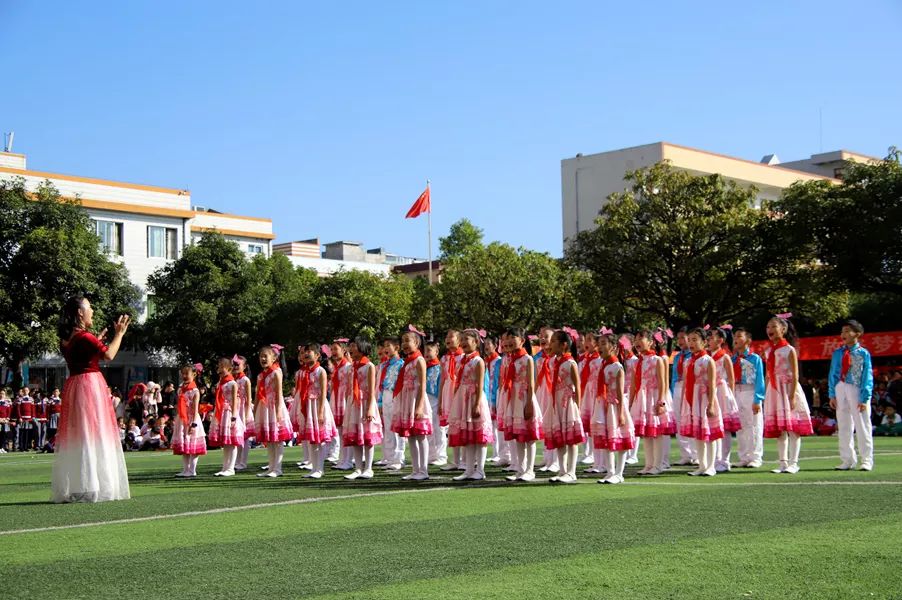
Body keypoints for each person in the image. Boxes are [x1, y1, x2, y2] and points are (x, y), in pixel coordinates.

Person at [50, 296, 131, 503]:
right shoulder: (85, 337)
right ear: (80, 312)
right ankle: (97, 484)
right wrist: (119, 334)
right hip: (90, 385)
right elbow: (109, 355)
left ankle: (80, 483)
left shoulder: (68, 338)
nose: (92, 311)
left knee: (79, 435)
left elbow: (85, 354)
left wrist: (97, 340)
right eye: (89, 307)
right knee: (96, 433)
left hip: (74, 385)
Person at [763, 315, 813, 474]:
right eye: (768, 327)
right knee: (780, 428)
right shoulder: (768, 350)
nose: (770, 330)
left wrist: (791, 395)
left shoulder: (789, 349)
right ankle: (783, 462)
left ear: (783, 329)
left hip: (787, 388)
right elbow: (768, 374)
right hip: (774, 390)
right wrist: (766, 392)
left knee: (793, 427)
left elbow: (795, 374)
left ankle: (794, 462)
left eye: (773, 326)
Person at [828, 320, 875, 471]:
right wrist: (832, 394)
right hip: (840, 387)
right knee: (843, 425)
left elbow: (867, 376)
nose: (844, 334)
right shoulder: (838, 353)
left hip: (856, 388)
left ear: (857, 334)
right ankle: (847, 459)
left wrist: (864, 397)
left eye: (848, 331)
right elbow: (833, 373)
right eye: (843, 331)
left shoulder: (863, 353)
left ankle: (866, 460)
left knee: (862, 424)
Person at [448, 329, 493, 481]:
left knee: (479, 436)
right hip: (463, 399)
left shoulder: (478, 361)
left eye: (467, 339)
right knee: (468, 436)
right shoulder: (462, 360)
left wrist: (476, 404)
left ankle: (480, 470)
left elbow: (480, 385)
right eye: (462, 339)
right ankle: (468, 470)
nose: (464, 342)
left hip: (474, 398)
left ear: (475, 342)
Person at [630, 330, 675, 475]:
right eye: (635, 339)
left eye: (641, 338)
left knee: (657, 433)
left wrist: (661, 402)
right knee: (647, 433)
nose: (637, 342)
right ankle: (648, 465)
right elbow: (633, 385)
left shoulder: (658, 360)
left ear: (650, 342)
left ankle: (658, 464)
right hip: (642, 398)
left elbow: (663, 382)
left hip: (654, 397)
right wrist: (631, 404)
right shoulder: (636, 362)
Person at [593, 332, 635, 484]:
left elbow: (620, 392)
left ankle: (619, 472)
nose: (600, 347)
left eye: (604, 343)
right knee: (607, 439)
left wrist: (622, 413)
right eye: (599, 343)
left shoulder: (617, 367)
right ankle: (610, 471)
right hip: (604, 405)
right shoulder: (603, 365)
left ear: (613, 347)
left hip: (616, 406)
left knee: (620, 437)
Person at [501, 328, 543, 482]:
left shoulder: (527, 359)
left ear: (522, 340)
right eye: (508, 338)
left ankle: (530, 470)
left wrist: (530, 403)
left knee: (529, 437)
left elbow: (532, 383)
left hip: (525, 398)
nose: (510, 341)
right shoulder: (509, 359)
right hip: (514, 400)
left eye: (514, 337)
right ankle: (520, 469)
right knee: (518, 437)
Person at [680, 327, 722, 477]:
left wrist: (711, 404)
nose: (691, 343)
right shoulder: (688, 361)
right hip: (693, 399)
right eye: (689, 340)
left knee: (709, 433)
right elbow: (686, 383)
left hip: (704, 398)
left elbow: (712, 384)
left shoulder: (708, 361)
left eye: (695, 340)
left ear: (704, 342)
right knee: (698, 434)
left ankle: (711, 466)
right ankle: (702, 465)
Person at [543, 329, 584, 484]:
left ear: (564, 345)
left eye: (554, 341)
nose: (550, 344)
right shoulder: (553, 361)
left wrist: (577, 408)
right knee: (559, 438)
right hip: (556, 403)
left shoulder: (570, 363)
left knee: (571, 439)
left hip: (568, 403)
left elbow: (577, 386)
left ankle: (571, 471)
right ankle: (562, 470)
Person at [392, 328, 432, 480]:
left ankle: (424, 470)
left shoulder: (419, 360)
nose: (404, 344)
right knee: (411, 437)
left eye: (407, 341)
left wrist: (420, 406)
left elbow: (422, 385)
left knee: (421, 436)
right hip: (408, 400)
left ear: (416, 342)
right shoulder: (407, 362)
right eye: (402, 341)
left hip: (416, 399)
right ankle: (415, 470)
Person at [294, 343, 336, 479]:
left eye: (310, 351)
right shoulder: (304, 372)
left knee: (319, 438)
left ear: (317, 355)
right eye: (305, 352)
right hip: (307, 406)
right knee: (311, 439)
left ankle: (320, 468)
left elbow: (323, 393)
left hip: (317, 405)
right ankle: (314, 467)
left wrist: (320, 411)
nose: (306, 354)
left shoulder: (320, 371)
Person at [343, 337, 382, 480]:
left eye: (353, 346)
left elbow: (372, 390)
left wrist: (370, 408)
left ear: (362, 347)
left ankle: (368, 468)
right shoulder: (351, 367)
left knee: (367, 437)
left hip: (366, 403)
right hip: (354, 404)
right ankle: (358, 468)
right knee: (355, 437)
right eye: (350, 346)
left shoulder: (369, 366)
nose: (350, 349)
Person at [255, 345, 293, 478]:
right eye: (261, 356)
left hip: (274, 406)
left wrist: (277, 412)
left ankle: (278, 468)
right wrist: (255, 412)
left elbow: (278, 393)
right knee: (269, 440)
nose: (263, 359)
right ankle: (271, 467)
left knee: (277, 439)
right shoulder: (261, 375)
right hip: (264, 408)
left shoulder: (277, 372)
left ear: (274, 358)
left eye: (266, 356)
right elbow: (258, 395)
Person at [707, 327, 741, 472]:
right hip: (710, 392)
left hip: (721, 391)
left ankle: (724, 460)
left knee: (725, 427)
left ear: (720, 340)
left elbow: (731, 379)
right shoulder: (707, 357)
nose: (708, 340)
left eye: (711, 338)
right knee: (713, 425)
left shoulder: (724, 356)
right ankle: (713, 459)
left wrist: (731, 397)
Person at [731, 328, 765, 468]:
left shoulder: (754, 358)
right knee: (740, 426)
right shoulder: (732, 359)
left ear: (748, 340)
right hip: (736, 392)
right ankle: (743, 456)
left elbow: (759, 380)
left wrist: (758, 399)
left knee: (754, 425)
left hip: (750, 391)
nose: (736, 339)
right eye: (735, 337)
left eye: (739, 336)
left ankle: (755, 457)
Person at [209, 357, 244, 477]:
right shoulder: (221, 382)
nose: (219, 369)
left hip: (229, 413)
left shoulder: (232, 383)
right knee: (226, 443)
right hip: (222, 412)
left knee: (231, 441)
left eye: (222, 367)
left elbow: (235, 401)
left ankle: (231, 467)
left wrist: (234, 416)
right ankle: (225, 467)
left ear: (229, 368)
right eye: (218, 367)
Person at [172, 364, 207, 476]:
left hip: (191, 419)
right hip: (182, 419)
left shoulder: (194, 391)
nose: (184, 376)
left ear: (194, 374)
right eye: (183, 373)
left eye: (187, 373)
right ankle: (185, 469)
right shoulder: (180, 390)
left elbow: (195, 409)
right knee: (185, 445)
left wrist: (194, 424)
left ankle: (192, 470)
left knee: (193, 445)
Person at [670, 327, 697, 466]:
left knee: (692, 419)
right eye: (678, 338)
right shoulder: (677, 357)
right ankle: (685, 454)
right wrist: (672, 391)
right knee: (679, 421)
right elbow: (674, 376)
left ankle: (696, 453)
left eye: (683, 338)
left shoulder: (693, 356)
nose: (680, 341)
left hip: (691, 388)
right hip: (678, 388)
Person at [437, 330, 464, 470]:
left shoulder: (463, 357)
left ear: (459, 340)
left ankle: (465, 460)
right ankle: (454, 460)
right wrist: (441, 399)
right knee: (452, 427)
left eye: (451, 337)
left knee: (462, 425)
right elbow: (442, 379)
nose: (447, 339)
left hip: (459, 392)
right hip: (448, 392)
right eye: (446, 336)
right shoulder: (444, 358)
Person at [534, 326, 559, 472]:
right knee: (544, 426)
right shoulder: (539, 358)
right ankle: (547, 458)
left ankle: (554, 461)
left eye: (546, 336)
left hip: (553, 394)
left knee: (553, 425)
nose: (543, 339)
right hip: (541, 394)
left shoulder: (557, 359)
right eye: (541, 336)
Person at [378, 338, 406, 471]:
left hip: (397, 396)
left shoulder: (401, 364)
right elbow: (380, 385)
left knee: (397, 428)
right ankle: (389, 457)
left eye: (388, 346)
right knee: (388, 427)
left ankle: (398, 458)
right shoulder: (384, 366)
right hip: (386, 395)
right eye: (385, 346)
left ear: (397, 347)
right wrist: (380, 401)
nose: (386, 349)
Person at [578, 331, 602, 471]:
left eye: (589, 340)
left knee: (596, 427)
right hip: (586, 394)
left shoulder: (598, 360)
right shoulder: (585, 360)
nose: (586, 343)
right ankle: (591, 456)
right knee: (588, 426)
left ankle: (597, 458)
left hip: (595, 395)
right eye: (585, 340)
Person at [329, 340, 354, 470]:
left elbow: (350, 386)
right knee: (340, 431)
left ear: (343, 350)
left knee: (346, 431)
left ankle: (348, 460)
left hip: (344, 399)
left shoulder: (348, 366)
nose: (333, 352)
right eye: (332, 350)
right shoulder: (337, 367)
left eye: (335, 349)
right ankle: (342, 459)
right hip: (336, 399)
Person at [232, 356, 254, 471]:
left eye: (238, 365)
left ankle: (243, 461)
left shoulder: (245, 380)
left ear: (244, 367)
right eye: (234, 364)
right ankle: (236, 460)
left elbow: (248, 399)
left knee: (244, 438)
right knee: (237, 436)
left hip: (243, 410)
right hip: (235, 409)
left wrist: (245, 414)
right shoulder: (233, 380)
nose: (235, 367)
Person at [424, 341, 444, 465]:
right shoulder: (424, 366)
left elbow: (441, 386)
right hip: (426, 400)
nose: (427, 353)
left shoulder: (439, 367)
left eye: (429, 350)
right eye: (425, 351)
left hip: (436, 399)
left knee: (439, 429)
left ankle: (441, 456)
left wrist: (441, 401)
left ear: (436, 352)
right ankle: (431, 455)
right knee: (429, 428)